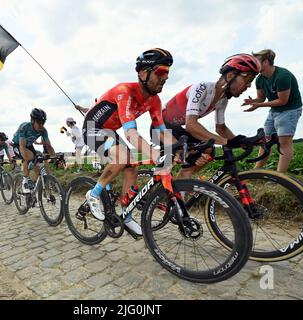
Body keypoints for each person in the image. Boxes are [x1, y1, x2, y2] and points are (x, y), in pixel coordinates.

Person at [82, 48, 178, 236]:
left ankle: (126, 216)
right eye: (160, 72)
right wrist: (155, 154)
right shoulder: (124, 91)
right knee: (122, 155)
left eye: (167, 73)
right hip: (93, 128)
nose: (164, 78)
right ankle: (93, 194)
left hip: (110, 131)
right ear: (143, 73)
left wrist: (178, 148)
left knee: (131, 166)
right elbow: (131, 134)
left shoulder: (154, 101)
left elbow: (162, 132)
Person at [158, 53, 261, 179]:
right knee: (183, 157)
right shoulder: (202, 88)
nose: (249, 85)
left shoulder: (223, 100)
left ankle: (179, 191)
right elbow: (191, 125)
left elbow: (221, 128)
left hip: (176, 130)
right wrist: (227, 142)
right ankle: (160, 191)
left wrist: (242, 141)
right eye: (248, 79)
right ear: (230, 75)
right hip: (159, 126)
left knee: (208, 150)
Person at [242, 49, 303, 173]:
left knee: (284, 142)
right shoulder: (259, 79)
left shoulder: (282, 76)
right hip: (274, 110)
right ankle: (256, 172)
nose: (253, 64)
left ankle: (280, 176)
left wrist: (259, 105)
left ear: (265, 62)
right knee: (265, 140)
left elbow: (282, 101)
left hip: (290, 110)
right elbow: (261, 97)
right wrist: (253, 102)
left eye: (256, 61)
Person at [12, 108, 56, 193]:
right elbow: (22, 147)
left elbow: (49, 146)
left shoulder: (43, 130)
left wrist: (55, 157)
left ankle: (34, 187)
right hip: (18, 145)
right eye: (39, 122)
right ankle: (25, 181)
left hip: (29, 145)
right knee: (28, 159)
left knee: (37, 169)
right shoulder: (24, 127)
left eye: (43, 123)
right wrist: (29, 161)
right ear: (32, 121)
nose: (41, 125)